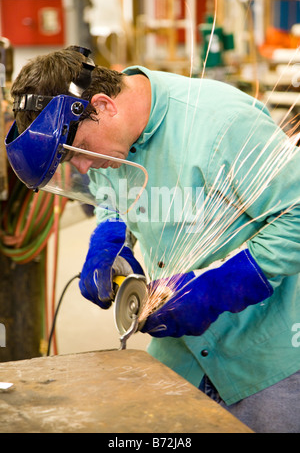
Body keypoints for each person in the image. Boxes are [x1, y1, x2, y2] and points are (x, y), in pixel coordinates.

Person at [5, 46, 300, 433]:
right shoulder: (107, 142)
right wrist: (112, 240)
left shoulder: (221, 123)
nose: (82, 166)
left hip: (264, 359)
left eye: (80, 152)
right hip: (180, 354)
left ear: (104, 105)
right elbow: (112, 199)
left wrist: (222, 286)